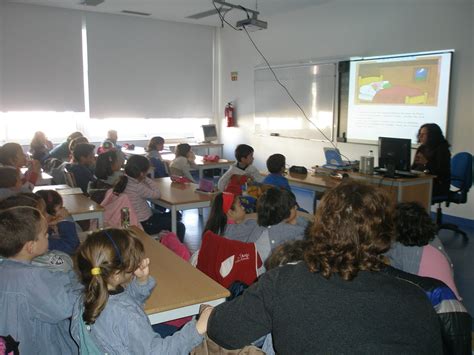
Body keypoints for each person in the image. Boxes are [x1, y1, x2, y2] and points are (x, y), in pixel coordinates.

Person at [206, 181, 443, 353]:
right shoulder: (417, 299)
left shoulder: (282, 282)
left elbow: (222, 331)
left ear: (320, 227)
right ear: (385, 236)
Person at [70, 228, 211, 354]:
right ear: (117, 274)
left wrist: (141, 281)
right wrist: (197, 329)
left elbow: (123, 303)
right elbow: (156, 352)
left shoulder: (85, 296)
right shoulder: (128, 316)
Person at [0, 206, 80, 354]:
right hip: (38, 345)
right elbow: (65, 307)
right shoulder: (32, 277)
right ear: (31, 246)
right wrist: (82, 285)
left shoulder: (5, 268)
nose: (48, 236)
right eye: (45, 234)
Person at [385, 201, 460, 299]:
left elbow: (401, 283)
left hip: (434, 306)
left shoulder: (403, 248)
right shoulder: (434, 239)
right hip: (451, 300)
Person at [113, 155, 186, 241]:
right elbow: (157, 194)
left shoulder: (124, 181)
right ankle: (174, 249)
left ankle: (165, 239)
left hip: (131, 220)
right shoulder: (137, 186)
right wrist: (146, 178)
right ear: (142, 173)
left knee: (174, 215)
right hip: (145, 223)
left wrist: (142, 177)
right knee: (180, 226)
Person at [35, 190, 81, 256]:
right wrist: (65, 219)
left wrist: (49, 224)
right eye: (60, 208)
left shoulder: (34, 228)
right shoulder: (38, 241)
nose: (56, 217)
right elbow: (71, 246)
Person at [412, 123, 451, 196]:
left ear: (432, 136)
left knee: (410, 191)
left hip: (438, 185)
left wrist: (426, 163)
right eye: (420, 134)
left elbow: (441, 173)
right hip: (422, 181)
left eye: (424, 134)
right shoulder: (421, 148)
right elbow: (414, 167)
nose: (420, 136)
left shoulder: (442, 150)